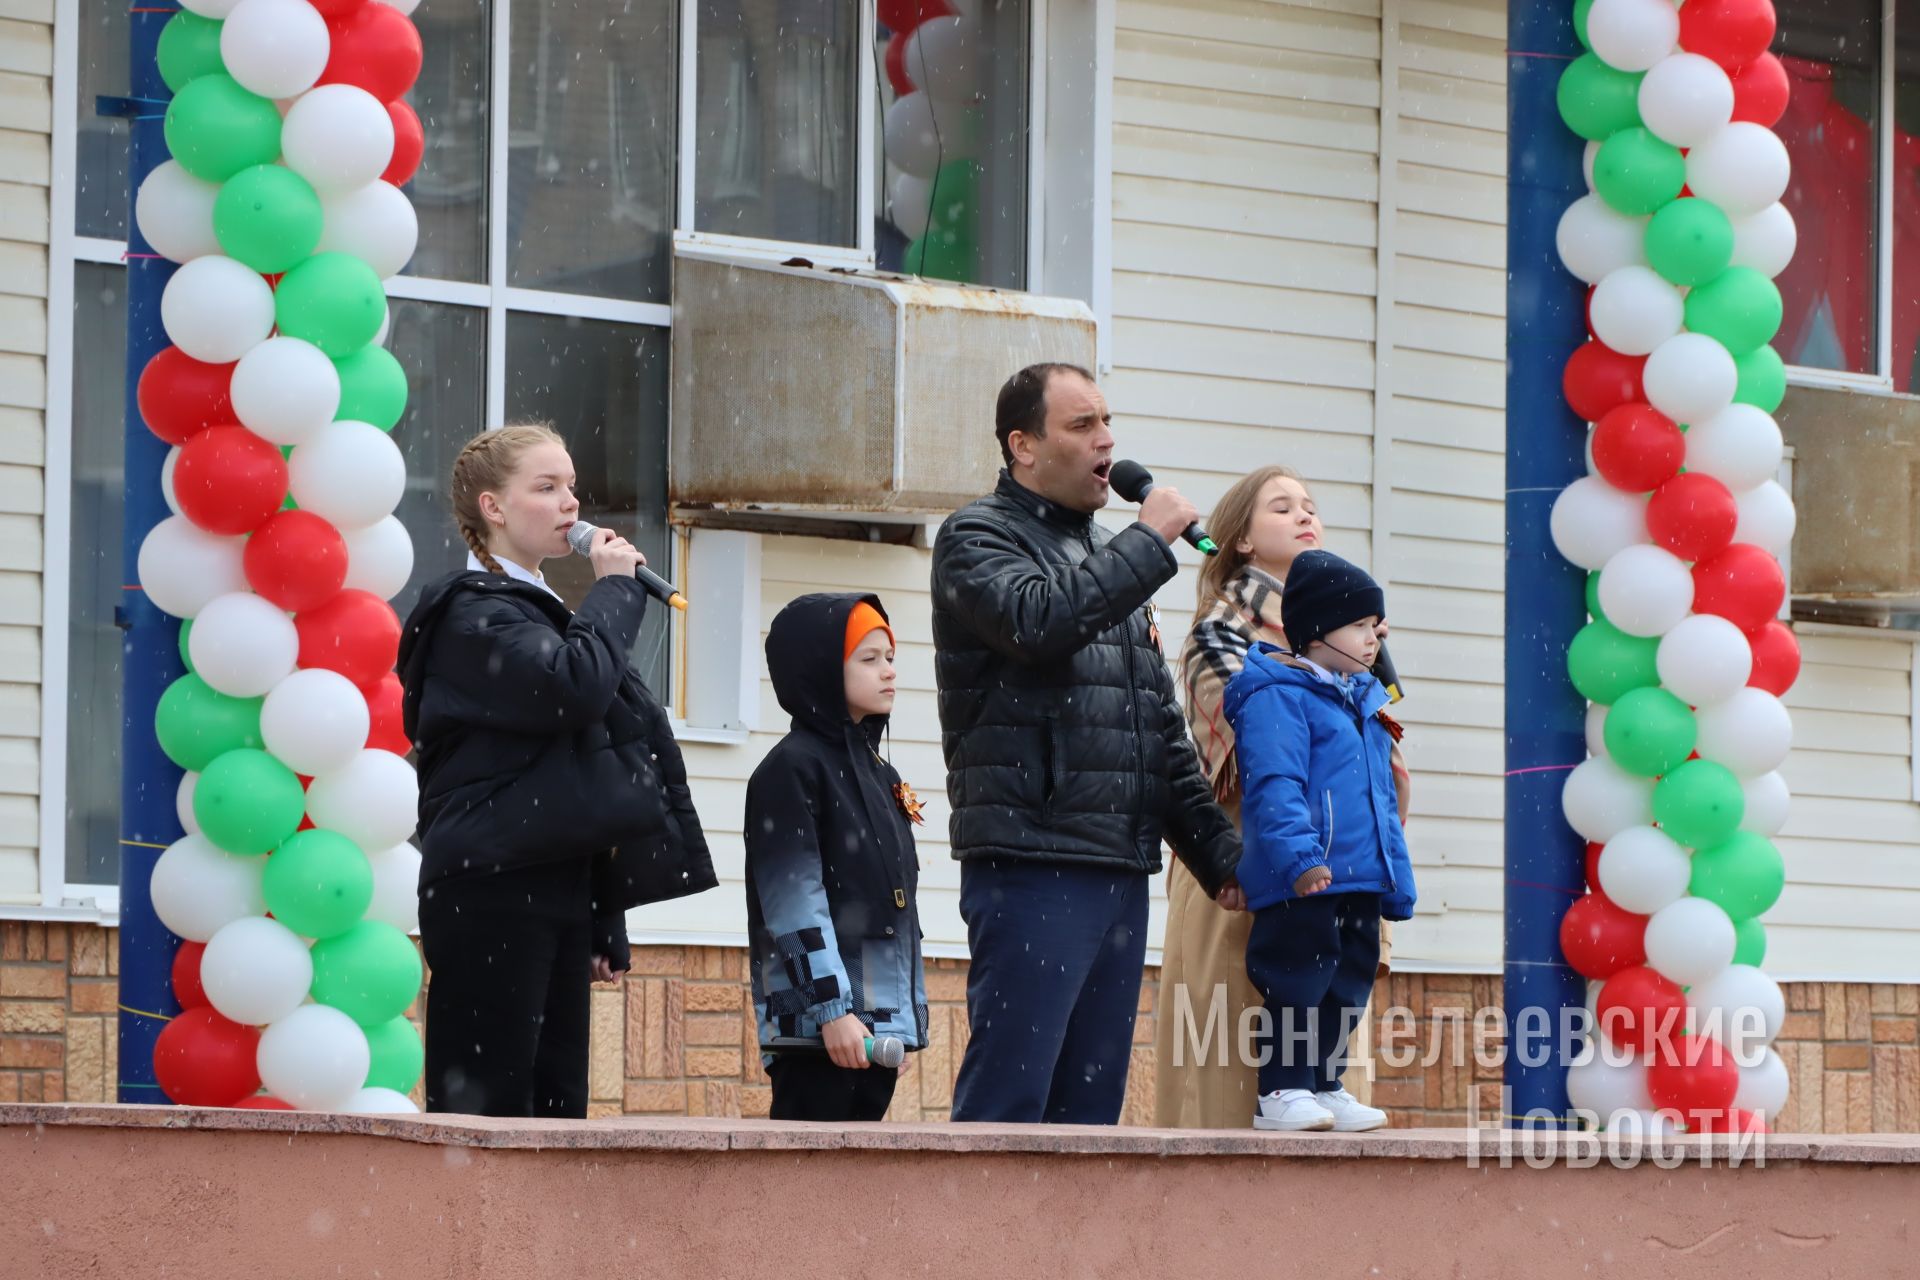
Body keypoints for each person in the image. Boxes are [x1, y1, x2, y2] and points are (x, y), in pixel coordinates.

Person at [931, 362, 1244, 1126]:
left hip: (1116, 866)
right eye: (1081, 425)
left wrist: (1221, 859)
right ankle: (981, 1250)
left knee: (1088, 1119)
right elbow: (1037, 624)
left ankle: (1065, 1253)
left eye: (1107, 423)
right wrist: (1145, 545)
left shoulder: (1109, 558)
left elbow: (1157, 734)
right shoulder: (977, 536)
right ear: (1023, 446)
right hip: (1033, 863)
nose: (1106, 440)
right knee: (1012, 1101)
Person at [399, 423, 717, 1118]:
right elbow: (569, 688)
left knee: (556, 1110)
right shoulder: (470, 613)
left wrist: (604, 911)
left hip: (553, 882)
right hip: (490, 885)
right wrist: (616, 591)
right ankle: (468, 1232)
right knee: (488, 1113)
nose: (571, 503)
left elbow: (583, 772)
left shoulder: (542, 613)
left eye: (571, 486)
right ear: (494, 508)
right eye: (546, 488)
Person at [1155, 468, 1409, 1129]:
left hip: (1343, 864)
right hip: (1249, 861)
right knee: (1229, 1084)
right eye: (1281, 506)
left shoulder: (1349, 630)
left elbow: (1382, 753)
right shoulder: (1223, 631)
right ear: (1238, 538)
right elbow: (1258, 755)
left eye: (1311, 506)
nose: (1305, 516)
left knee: (1324, 1075)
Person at [1225, 550, 1416, 1132]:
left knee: (1347, 983)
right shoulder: (1278, 693)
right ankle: (1281, 1090)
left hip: (1358, 877)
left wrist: (1394, 876)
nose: (1372, 641)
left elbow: (1382, 798)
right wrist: (1301, 858)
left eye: (1376, 629)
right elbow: (1275, 785)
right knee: (1296, 978)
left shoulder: (1364, 702)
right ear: (1316, 631)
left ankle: (1324, 1082)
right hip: (1303, 876)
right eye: (1359, 626)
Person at [745, 593, 930, 1122]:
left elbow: (895, 911)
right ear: (822, 669)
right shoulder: (791, 770)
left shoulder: (880, 774)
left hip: (872, 1034)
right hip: (818, 1034)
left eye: (890, 657)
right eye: (868, 660)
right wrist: (832, 1010)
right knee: (805, 1191)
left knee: (857, 1192)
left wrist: (894, 1025)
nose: (888, 672)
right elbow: (793, 902)